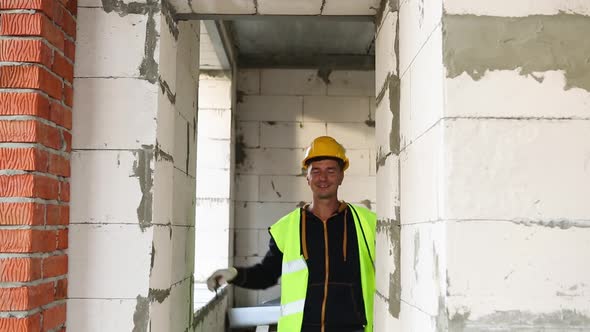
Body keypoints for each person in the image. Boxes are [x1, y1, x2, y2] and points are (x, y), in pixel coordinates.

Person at [206, 136, 376, 332]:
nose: (323, 178)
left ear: (341, 176)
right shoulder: (287, 227)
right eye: (316, 171)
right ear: (308, 177)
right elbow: (266, 274)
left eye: (330, 170)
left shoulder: (366, 222)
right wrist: (234, 274)